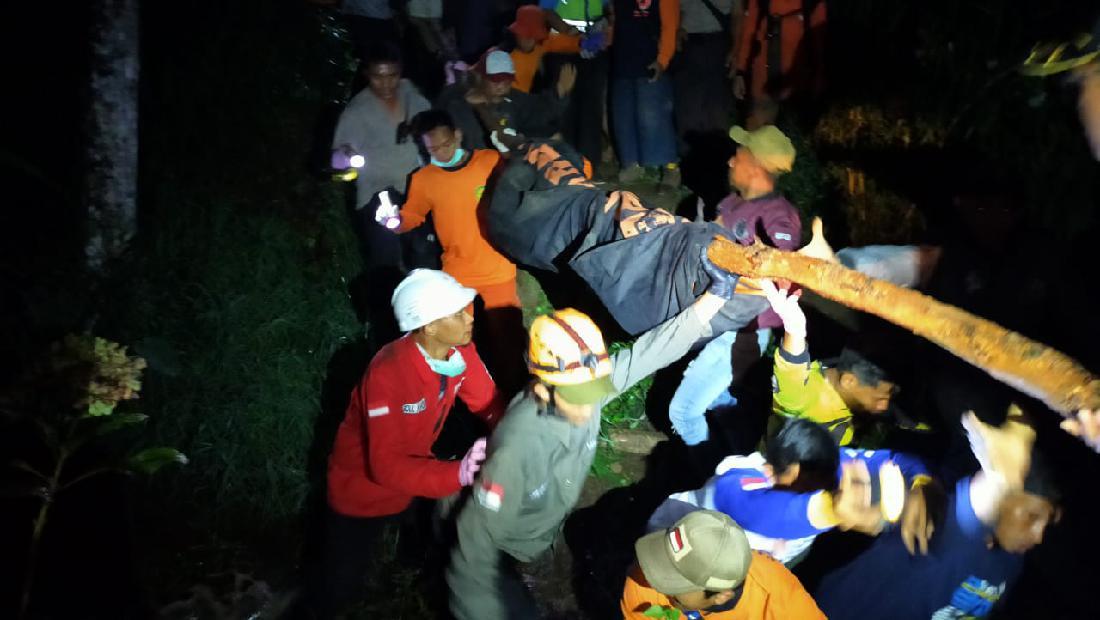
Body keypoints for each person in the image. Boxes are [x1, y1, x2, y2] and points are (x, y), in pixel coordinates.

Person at [446, 251, 744, 619]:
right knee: (536, 587)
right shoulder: (518, 444)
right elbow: (474, 543)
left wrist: (716, 297)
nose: (589, 406)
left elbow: (650, 351)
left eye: (594, 389)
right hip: (517, 541)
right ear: (542, 388)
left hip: (551, 524)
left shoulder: (588, 381)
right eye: (577, 396)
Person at [316, 269, 502, 618]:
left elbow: (489, 403)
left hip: (416, 476)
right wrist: (457, 473)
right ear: (428, 325)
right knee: (339, 584)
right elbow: (384, 466)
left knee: (414, 541)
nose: (469, 317)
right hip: (360, 493)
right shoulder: (388, 372)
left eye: (467, 308)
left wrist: (516, 434)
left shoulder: (459, 352)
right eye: (458, 313)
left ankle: (405, 577)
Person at [811, 411, 1063, 620]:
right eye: (1031, 516)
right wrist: (1021, 431)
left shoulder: (1012, 562)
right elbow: (991, 488)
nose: (1039, 536)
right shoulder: (951, 524)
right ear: (1005, 498)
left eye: (1047, 523)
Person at [668, 124, 801, 447]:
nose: (730, 162)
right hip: (719, 316)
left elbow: (781, 272)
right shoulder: (733, 202)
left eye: (738, 156)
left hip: (743, 331)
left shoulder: (778, 220)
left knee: (683, 412)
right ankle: (739, 431)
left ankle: (702, 472)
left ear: (755, 165)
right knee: (715, 397)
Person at [649, 418, 937, 566]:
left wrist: (923, 483)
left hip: (747, 570)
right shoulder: (737, 478)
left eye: (819, 483)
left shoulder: (831, 467)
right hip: (675, 541)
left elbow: (899, 459)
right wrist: (829, 509)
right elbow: (753, 512)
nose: (809, 490)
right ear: (773, 469)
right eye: (796, 481)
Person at [384, 109, 526, 393]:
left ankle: (517, 392)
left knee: (508, 339)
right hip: (457, 275)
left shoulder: (489, 161)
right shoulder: (424, 179)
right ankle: (463, 395)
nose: (441, 151)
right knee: (458, 342)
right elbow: (413, 216)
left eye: (445, 143)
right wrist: (395, 221)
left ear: (457, 135)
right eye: (432, 148)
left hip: (498, 268)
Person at [762, 278, 901, 445]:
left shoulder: (830, 374)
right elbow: (791, 371)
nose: (884, 406)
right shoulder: (804, 398)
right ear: (849, 381)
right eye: (880, 398)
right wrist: (794, 329)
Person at [331, 43, 432, 271]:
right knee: (386, 256)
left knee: (423, 249)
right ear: (367, 74)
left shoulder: (409, 92)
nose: (386, 83)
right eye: (378, 76)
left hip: (417, 186)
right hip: (379, 192)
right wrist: (347, 154)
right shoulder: (357, 110)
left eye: (392, 75)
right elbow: (336, 158)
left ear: (400, 72)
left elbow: (431, 121)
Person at [622, 509, 826, 619]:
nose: (653, 578)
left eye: (676, 582)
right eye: (664, 559)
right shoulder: (644, 583)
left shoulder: (785, 607)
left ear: (721, 596)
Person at [439, 49, 577, 152]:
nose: (502, 86)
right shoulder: (456, 104)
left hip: (506, 167)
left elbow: (538, 111)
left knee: (556, 138)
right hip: (472, 168)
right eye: (496, 81)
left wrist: (559, 94)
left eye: (507, 81)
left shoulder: (512, 98)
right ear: (481, 77)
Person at [610, 0, 683, 189]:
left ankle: (670, 167)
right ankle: (631, 164)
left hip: (650, 60)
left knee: (653, 114)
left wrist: (663, 59)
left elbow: (670, 25)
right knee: (623, 114)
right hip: (622, 59)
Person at [540, 0, 613, 170]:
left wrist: (605, 24)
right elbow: (546, 11)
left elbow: (610, 8)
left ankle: (588, 165)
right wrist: (570, 32)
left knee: (591, 108)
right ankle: (563, 165)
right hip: (562, 50)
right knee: (564, 108)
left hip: (594, 49)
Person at [733, 0, 826, 128]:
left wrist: (817, 83)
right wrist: (740, 72)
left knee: (794, 137)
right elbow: (749, 31)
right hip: (763, 85)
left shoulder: (813, 4)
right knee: (757, 138)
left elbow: (820, 45)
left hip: (797, 86)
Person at [673, 0, 742, 142]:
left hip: (718, 43)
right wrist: (676, 29)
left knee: (717, 108)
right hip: (688, 44)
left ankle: (718, 157)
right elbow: (672, 9)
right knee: (688, 108)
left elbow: (738, 14)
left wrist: (735, 50)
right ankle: (691, 157)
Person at [508, 5, 581, 94]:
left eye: (534, 35)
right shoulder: (507, 60)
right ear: (516, 32)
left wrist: (583, 42)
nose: (529, 39)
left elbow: (565, 42)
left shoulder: (540, 44)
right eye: (525, 34)